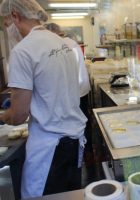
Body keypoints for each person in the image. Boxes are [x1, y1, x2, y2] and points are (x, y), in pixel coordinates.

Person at [0, 0, 87, 199]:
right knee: (70, 195)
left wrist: (6, 116)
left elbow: (19, 115)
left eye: (6, 25)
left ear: (15, 16)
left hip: (49, 151)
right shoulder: (62, 43)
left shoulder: (23, 51)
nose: (8, 31)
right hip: (74, 143)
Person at [44, 23, 94, 179]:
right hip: (80, 90)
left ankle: (84, 153)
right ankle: (87, 154)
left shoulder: (62, 46)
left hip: (75, 92)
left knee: (78, 123)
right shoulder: (71, 44)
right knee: (83, 121)